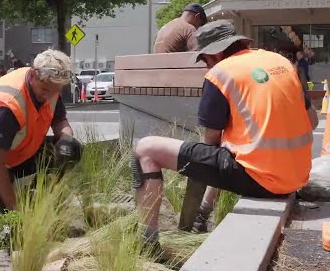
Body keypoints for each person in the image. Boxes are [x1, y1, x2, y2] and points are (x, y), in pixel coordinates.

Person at [131, 20, 318, 255]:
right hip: (296, 176)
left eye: (205, 60)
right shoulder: (281, 63)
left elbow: (212, 146)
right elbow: (312, 122)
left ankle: (147, 246)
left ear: (216, 53)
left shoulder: (220, 74)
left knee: (146, 149)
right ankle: (200, 216)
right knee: (231, 150)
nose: (205, 67)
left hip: (263, 180)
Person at [0, 49, 79, 241]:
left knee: (71, 150)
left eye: (55, 91)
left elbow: (60, 122)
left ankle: (40, 200)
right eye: (45, 90)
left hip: (15, 156)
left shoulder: (50, 85)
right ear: (34, 75)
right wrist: (17, 212)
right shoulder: (7, 104)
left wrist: (66, 138)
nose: (50, 96)